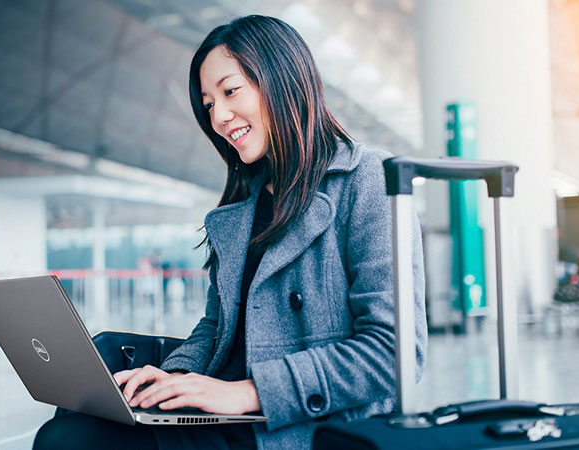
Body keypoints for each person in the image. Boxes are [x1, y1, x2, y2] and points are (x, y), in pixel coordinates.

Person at [33, 15, 426, 450]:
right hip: (226, 412)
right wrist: (176, 376)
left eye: (230, 91)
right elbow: (218, 326)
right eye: (207, 104)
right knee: (74, 423)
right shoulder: (242, 205)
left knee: (71, 440)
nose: (218, 116)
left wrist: (248, 392)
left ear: (282, 78)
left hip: (303, 424)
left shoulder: (367, 178)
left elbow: (395, 351)